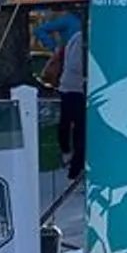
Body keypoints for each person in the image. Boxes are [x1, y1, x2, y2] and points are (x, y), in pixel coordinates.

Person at [57, 24, 88, 179]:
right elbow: (75, 64)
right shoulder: (82, 38)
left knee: (76, 128)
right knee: (81, 130)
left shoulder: (77, 36)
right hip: (75, 89)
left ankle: (72, 161)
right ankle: (74, 170)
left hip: (71, 88)